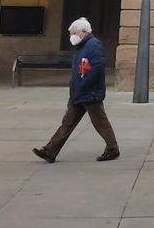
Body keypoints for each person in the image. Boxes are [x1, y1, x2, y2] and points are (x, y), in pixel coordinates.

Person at [33, 17, 119, 163]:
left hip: (90, 93)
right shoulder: (82, 46)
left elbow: (97, 68)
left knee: (100, 122)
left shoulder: (93, 45)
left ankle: (112, 149)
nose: (71, 36)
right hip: (78, 93)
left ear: (82, 32)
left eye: (73, 33)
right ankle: (50, 151)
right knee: (67, 123)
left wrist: (84, 85)